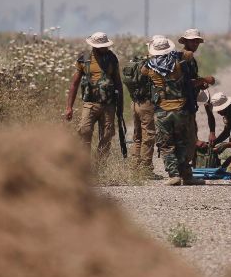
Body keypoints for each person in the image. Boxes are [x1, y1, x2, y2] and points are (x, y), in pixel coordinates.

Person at [141, 36, 205, 186]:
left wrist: (151, 55)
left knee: (166, 145)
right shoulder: (178, 61)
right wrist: (174, 54)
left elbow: (143, 70)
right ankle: (187, 176)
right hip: (180, 109)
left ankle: (173, 175)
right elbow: (188, 54)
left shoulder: (149, 67)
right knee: (182, 143)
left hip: (162, 111)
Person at [65, 32, 124, 159]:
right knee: (84, 130)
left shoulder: (112, 58)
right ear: (95, 46)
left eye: (106, 45)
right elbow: (74, 84)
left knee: (108, 134)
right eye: (102, 46)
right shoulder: (84, 58)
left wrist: (120, 107)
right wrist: (69, 107)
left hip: (108, 105)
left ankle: (99, 164)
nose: (105, 48)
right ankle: (84, 162)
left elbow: (118, 83)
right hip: (90, 104)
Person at [177, 28, 217, 166]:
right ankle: (183, 170)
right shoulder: (184, 57)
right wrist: (205, 79)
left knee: (191, 131)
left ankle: (189, 167)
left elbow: (192, 81)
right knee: (187, 135)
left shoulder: (190, 57)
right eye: (192, 41)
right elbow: (185, 82)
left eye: (197, 41)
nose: (195, 44)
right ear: (186, 42)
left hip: (189, 102)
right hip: (183, 103)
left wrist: (201, 84)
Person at [124, 35, 163, 179]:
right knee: (149, 136)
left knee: (137, 136)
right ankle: (146, 169)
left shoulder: (139, 61)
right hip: (146, 104)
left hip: (135, 103)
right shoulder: (153, 64)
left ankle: (135, 167)